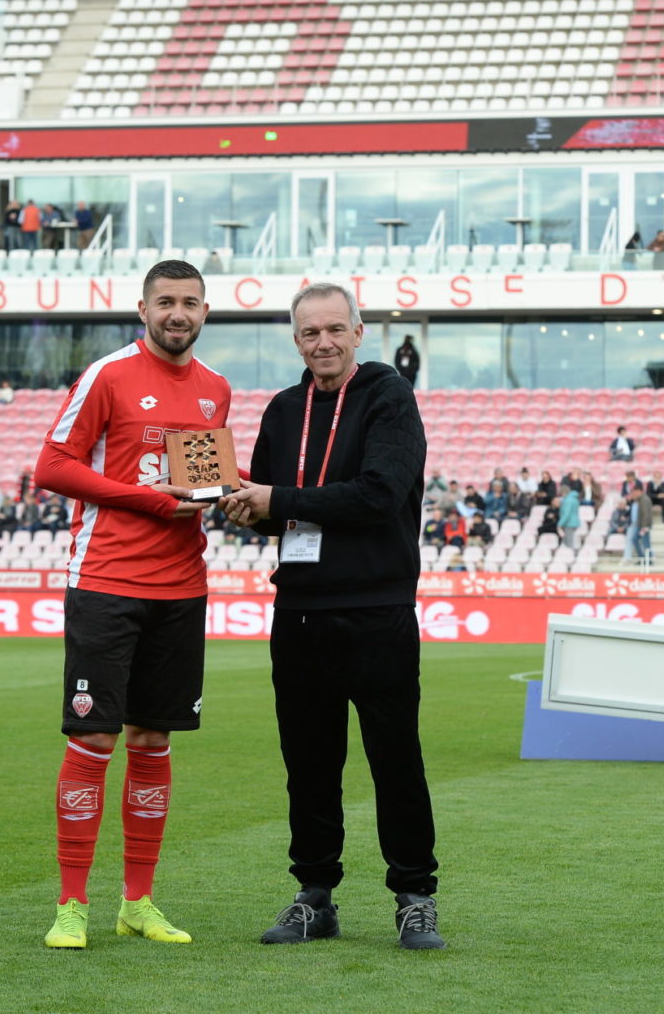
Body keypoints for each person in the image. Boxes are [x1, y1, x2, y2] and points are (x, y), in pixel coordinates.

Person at [221, 282, 445, 951]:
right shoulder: (283, 409)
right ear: (296, 340)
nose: (322, 343)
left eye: (334, 330)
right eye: (309, 333)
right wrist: (243, 507)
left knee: (395, 760)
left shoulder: (388, 396)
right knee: (308, 765)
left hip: (377, 607)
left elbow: (379, 495)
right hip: (299, 611)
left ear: (357, 332)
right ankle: (314, 897)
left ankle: (414, 896)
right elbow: (274, 510)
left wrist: (278, 500)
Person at [33, 258, 230, 950]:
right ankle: (71, 905)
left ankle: (138, 902)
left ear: (205, 312)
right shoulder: (108, 375)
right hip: (107, 582)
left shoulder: (215, 389)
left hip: (182, 587)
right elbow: (52, 466)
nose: (178, 313)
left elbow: (201, 482)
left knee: (153, 741)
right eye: (166, 301)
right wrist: (151, 502)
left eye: (190, 302)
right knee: (94, 739)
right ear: (142, 309)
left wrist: (242, 495)